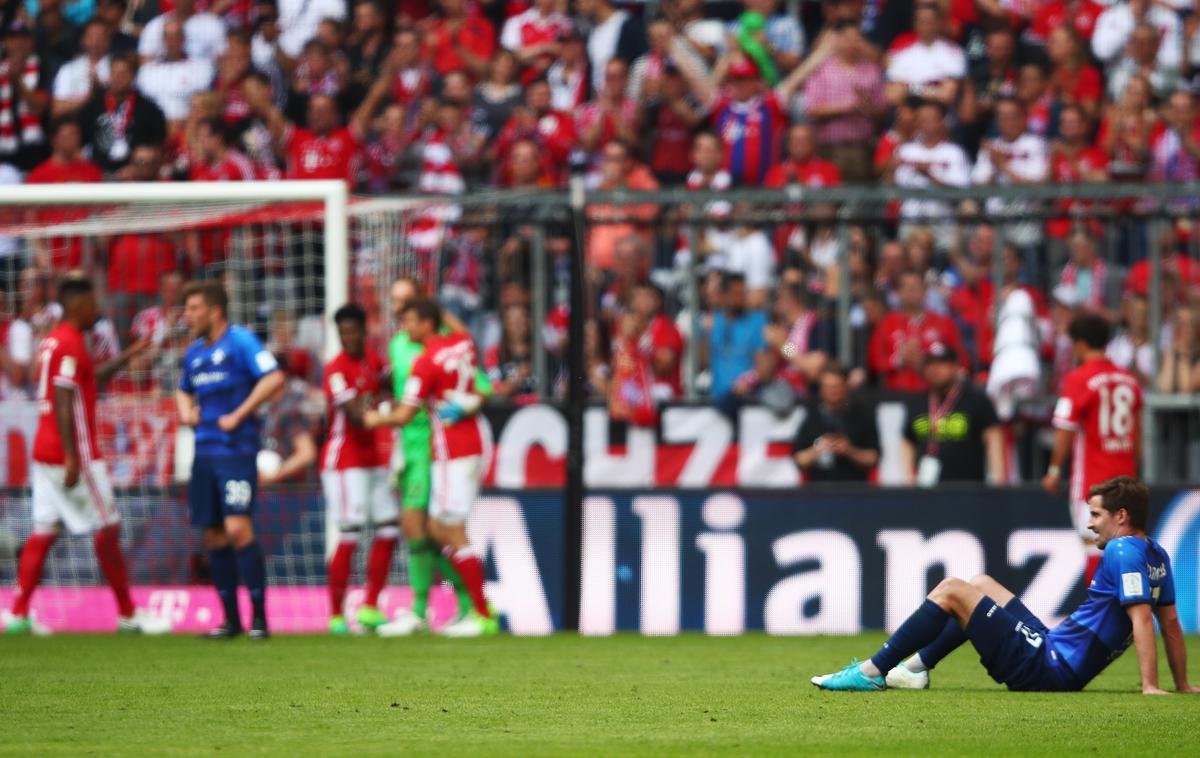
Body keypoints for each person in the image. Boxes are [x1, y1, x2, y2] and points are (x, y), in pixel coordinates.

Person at [813, 477, 1199, 694]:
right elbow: (1169, 624)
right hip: (1054, 652)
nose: (1090, 523)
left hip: (1049, 668)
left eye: (1096, 514)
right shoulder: (1156, 554)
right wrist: (1181, 684)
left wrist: (1151, 686)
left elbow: (1143, 621)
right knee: (980, 584)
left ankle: (872, 671)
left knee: (950, 589)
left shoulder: (1120, 551)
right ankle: (915, 669)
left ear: (1122, 516)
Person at [2, 274, 169, 636]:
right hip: (73, 452)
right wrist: (73, 456)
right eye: (93, 303)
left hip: (44, 452)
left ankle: (16, 613)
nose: (98, 310)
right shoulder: (71, 343)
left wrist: (130, 354)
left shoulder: (55, 341)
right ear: (78, 306)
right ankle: (128, 614)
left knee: (44, 529)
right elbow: (64, 400)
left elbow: (89, 379)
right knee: (108, 527)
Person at [366, 297, 498, 638]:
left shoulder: (424, 364)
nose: (405, 328)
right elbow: (464, 337)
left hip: (455, 450)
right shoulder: (462, 343)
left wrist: (372, 417)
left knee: (450, 528)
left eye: (410, 321)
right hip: (463, 444)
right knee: (438, 528)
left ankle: (482, 613)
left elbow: (405, 414)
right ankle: (474, 606)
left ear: (428, 324)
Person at [176, 280, 284, 640]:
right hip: (204, 452)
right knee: (214, 535)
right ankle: (230, 621)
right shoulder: (194, 352)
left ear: (214, 310)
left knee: (238, 529)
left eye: (193, 308)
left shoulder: (240, 341)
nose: (187, 316)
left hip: (236, 451)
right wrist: (186, 410)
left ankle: (260, 620)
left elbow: (273, 378)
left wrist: (239, 414)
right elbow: (182, 389)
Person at [1043, 313, 1143, 587]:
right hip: (1126, 482)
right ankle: (1129, 620)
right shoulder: (1129, 380)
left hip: (1093, 485)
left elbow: (1065, 428)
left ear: (1081, 344)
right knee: (1126, 554)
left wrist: (1053, 470)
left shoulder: (1078, 379)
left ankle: (1103, 622)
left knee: (1094, 551)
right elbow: (1138, 435)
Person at [319, 304, 398, 635]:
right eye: (342, 333)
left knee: (389, 527)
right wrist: (388, 410)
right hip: (343, 461)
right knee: (350, 531)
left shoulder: (373, 360)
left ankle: (369, 607)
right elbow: (355, 415)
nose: (347, 337)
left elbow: (390, 385)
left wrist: (389, 394)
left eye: (352, 331)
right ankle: (336, 614)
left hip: (372, 460)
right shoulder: (335, 369)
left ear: (364, 331)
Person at [900, 343, 1004, 486]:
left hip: (968, 491)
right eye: (930, 364)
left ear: (956, 366)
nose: (935, 369)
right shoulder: (917, 403)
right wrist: (908, 475)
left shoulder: (976, 401)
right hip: (926, 493)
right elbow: (907, 440)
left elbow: (993, 436)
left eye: (942, 363)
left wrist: (998, 480)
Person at [793, 362, 879, 482]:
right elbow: (798, 458)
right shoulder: (811, 415)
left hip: (854, 489)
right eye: (827, 387)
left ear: (845, 386)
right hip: (818, 490)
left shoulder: (862, 414)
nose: (832, 392)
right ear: (821, 388)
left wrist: (849, 450)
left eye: (836, 387)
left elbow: (874, 457)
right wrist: (800, 359)